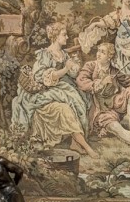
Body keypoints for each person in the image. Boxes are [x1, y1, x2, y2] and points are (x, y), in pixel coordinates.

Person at [11, 20, 97, 157]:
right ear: (55, 36)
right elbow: (40, 76)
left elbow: (71, 74)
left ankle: (76, 143)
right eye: (64, 34)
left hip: (62, 88)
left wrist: (74, 67)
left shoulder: (64, 54)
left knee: (83, 100)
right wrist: (65, 69)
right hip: (45, 91)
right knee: (66, 108)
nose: (67, 37)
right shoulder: (45, 54)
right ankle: (86, 146)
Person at [76, 42, 130, 156]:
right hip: (100, 110)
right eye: (98, 51)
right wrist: (101, 82)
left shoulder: (114, 70)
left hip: (115, 104)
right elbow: (81, 81)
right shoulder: (90, 66)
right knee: (117, 129)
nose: (98, 54)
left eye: (103, 52)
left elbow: (129, 81)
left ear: (109, 56)